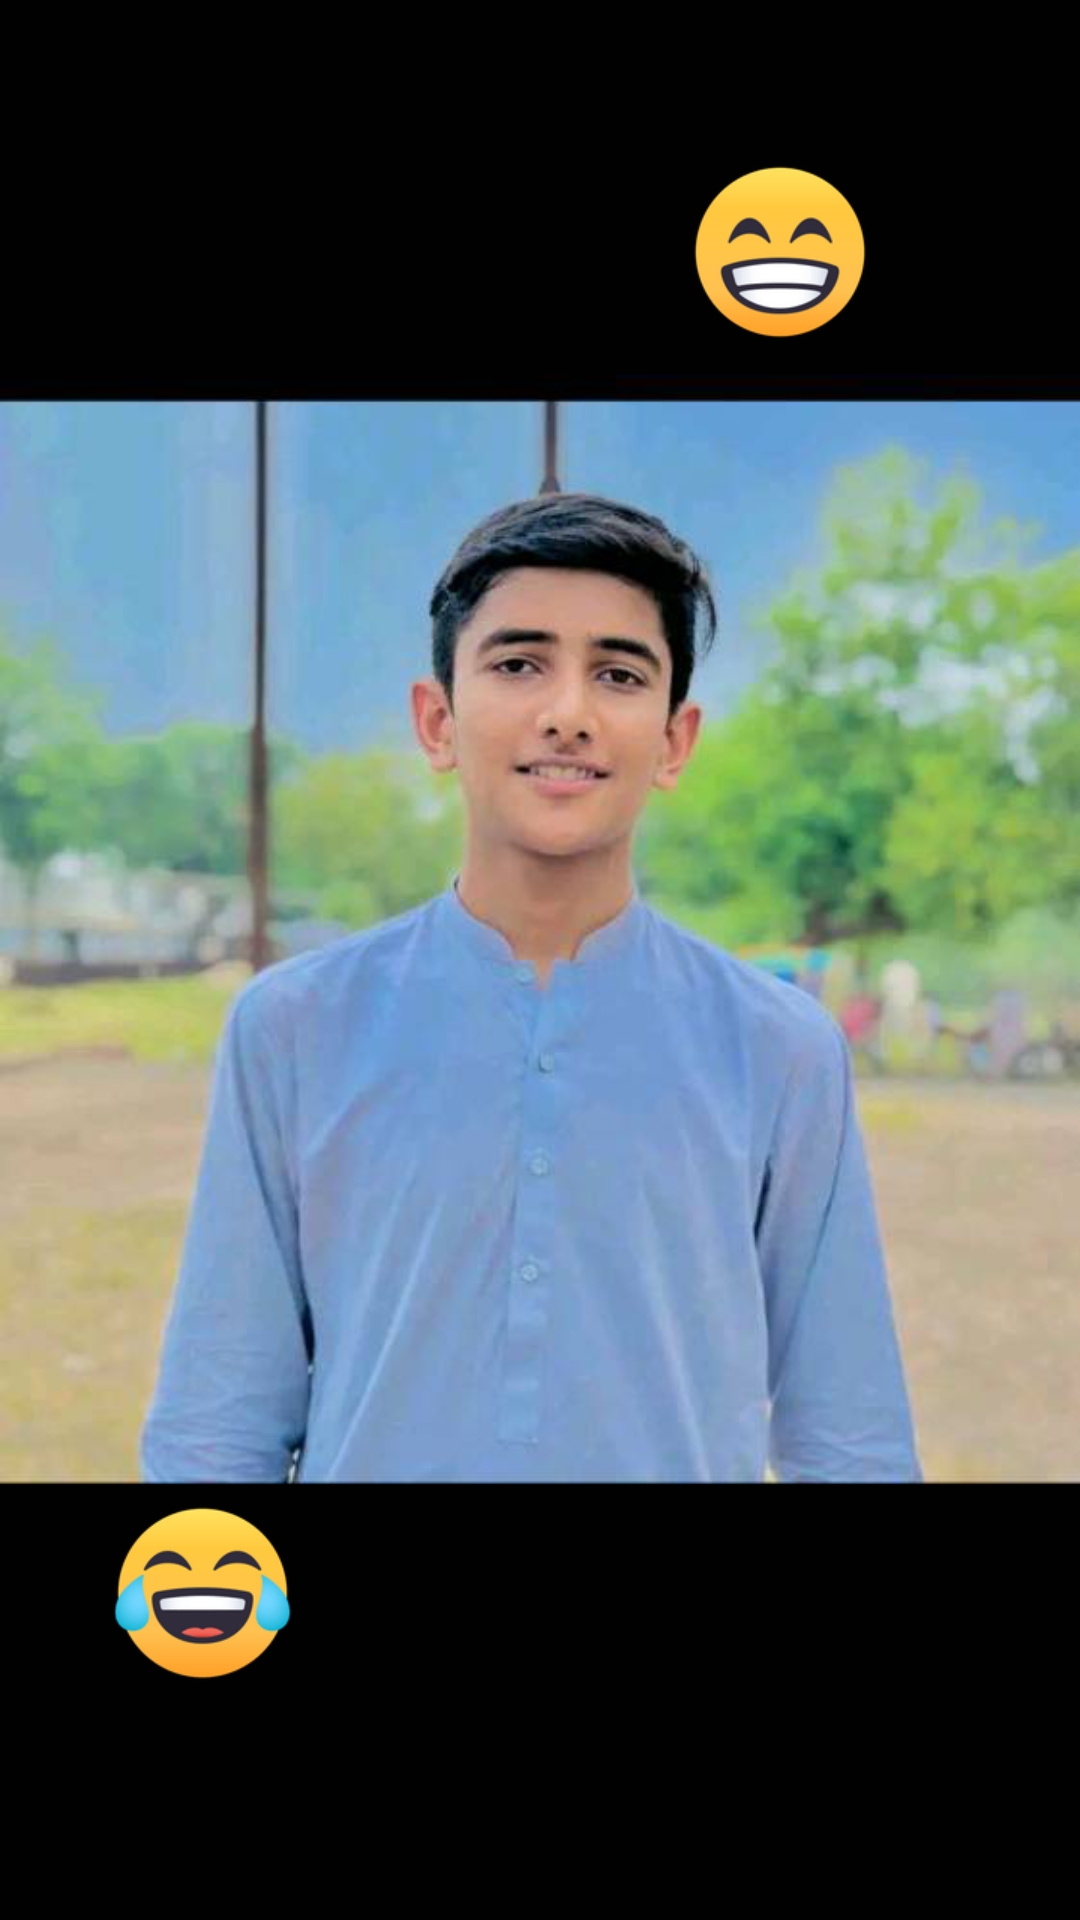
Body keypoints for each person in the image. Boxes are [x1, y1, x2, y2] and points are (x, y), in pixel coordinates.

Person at [141, 492, 923, 1484]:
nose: (568, 714)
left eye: (619, 674)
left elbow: (850, 1439)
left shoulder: (780, 1048)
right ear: (437, 721)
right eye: (518, 664)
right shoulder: (294, 1026)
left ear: (675, 741)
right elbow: (215, 1426)